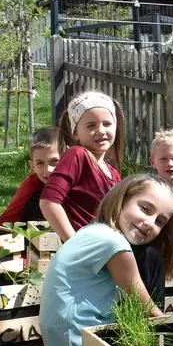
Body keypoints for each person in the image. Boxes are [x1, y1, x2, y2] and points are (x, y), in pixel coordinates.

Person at [39, 174, 173, 346]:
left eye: (160, 221)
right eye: (145, 209)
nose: (150, 223)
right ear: (122, 199)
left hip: (62, 343)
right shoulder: (114, 244)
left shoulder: (93, 230)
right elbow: (147, 309)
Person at [39, 90, 124, 242]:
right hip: (84, 248)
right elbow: (48, 202)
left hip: (105, 247)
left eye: (107, 124)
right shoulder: (76, 155)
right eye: (91, 125)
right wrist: (74, 244)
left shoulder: (113, 173)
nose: (101, 131)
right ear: (75, 133)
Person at [0, 127, 64, 224]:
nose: (48, 170)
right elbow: (6, 220)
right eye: (40, 163)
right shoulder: (32, 186)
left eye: (54, 161)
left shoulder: (80, 179)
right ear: (32, 166)